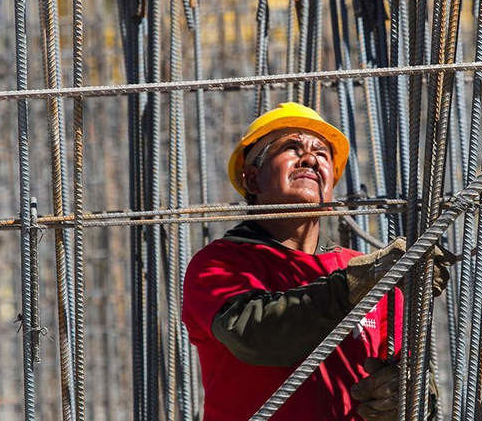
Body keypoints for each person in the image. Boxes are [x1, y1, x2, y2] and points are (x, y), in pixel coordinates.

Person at [182, 102, 452, 420]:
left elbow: (411, 378)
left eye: (322, 153)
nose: (310, 158)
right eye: (292, 147)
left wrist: (411, 400)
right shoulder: (220, 264)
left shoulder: (369, 273)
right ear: (253, 179)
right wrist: (354, 286)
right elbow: (253, 335)